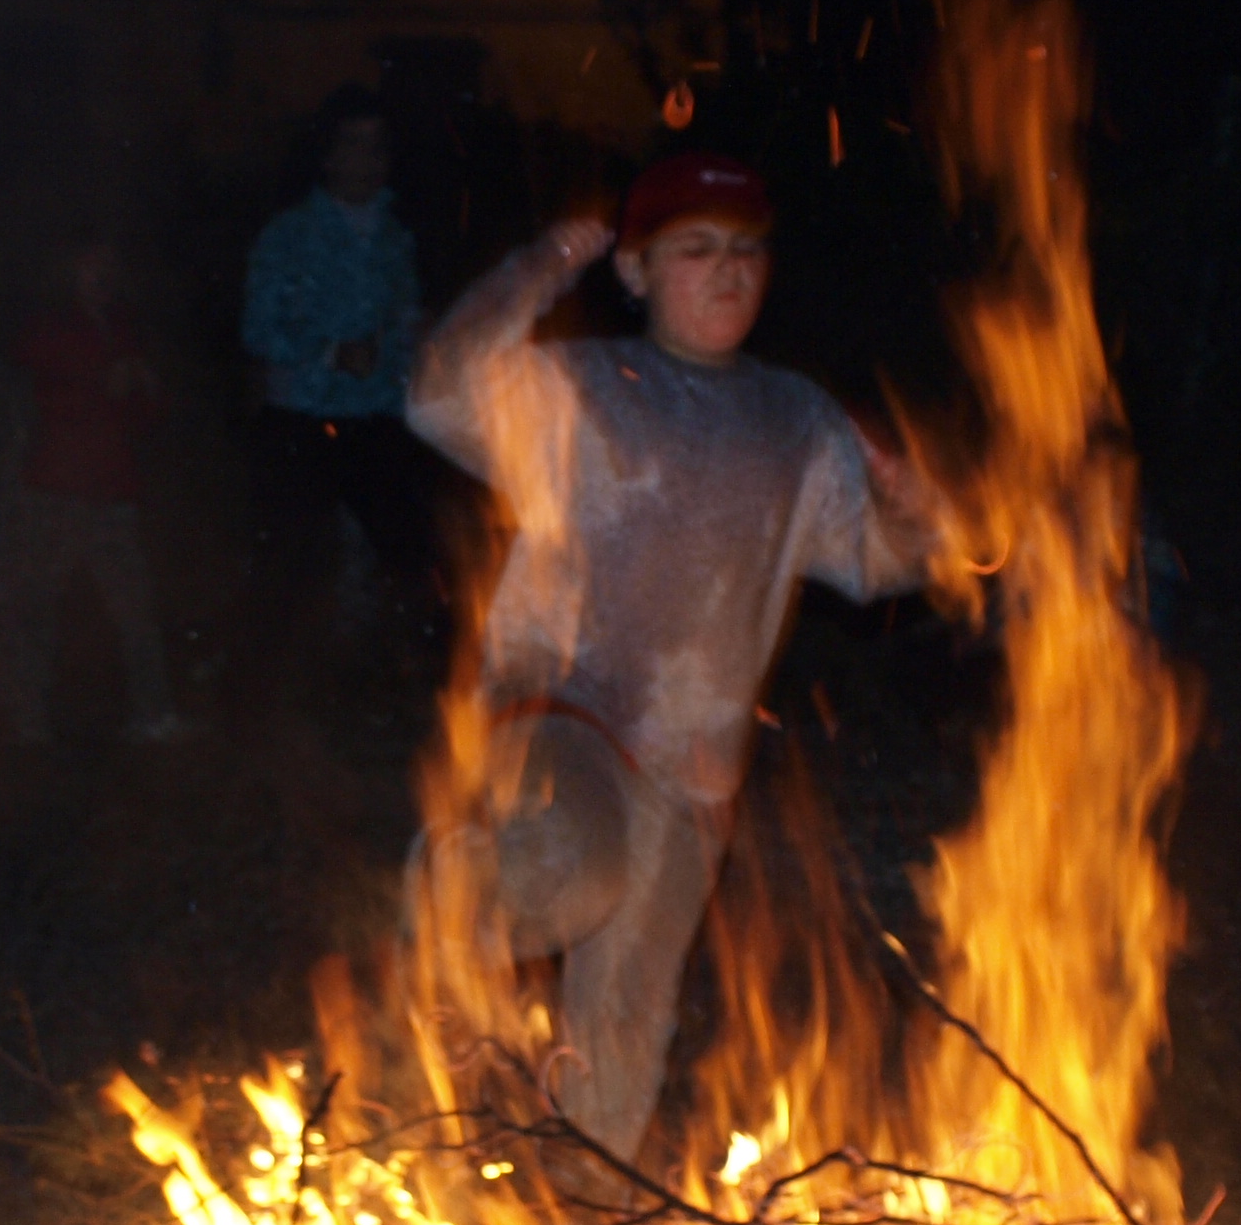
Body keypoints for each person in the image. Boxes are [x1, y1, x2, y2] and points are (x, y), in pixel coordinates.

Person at [404, 151, 942, 1162]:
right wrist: (547, 259)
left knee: (626, 1025)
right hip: (560, 706)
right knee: (570, 866)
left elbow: (876, 563)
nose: (730, 271)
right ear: (637, 270)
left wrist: (915, 514)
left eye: (747, 250)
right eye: (697, 250)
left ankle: (586, 1214)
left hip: (696, 762)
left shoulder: (797, 417)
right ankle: (442, 909)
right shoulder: (585, 384)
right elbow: (438, 392)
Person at [241, 88, 432, 608]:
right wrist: (331, 353)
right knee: (291, 571)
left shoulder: (395, 239)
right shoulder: (289, 236)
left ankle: (377, 649)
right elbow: (258, 329)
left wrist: (421, 340)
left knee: (403, 561)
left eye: (378, 147)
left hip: (377, 420)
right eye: (353, 144)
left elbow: (404, 321)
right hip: (303, 422)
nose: (368, 160)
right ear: (327, 156)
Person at [2, 236, 185, 745]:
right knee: (37, 608)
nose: (101, 276)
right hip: (56, 489)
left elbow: (145, 415)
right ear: (68, 270)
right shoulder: (48, 327)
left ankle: (153, 714)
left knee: (135, 608)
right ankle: (26, 719)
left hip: (111, 490)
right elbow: (36, 397)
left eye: (109, 265)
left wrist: (144, 387)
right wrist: (100, 383)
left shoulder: (123, 326)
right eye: (89, 266)